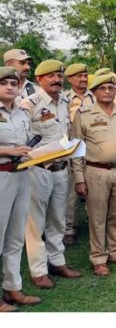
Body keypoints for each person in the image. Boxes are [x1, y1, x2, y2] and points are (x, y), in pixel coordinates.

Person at [71, 73, 116, 276]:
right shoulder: (83, 114)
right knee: (97, 216)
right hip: (96, 172)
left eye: (111, 88)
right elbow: (76, 148)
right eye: (102, 88)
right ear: (93, 92)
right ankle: (98, 257)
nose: (107, 92)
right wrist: (79, 178)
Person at [21, 60, 82, 290]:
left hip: (61, 169)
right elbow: (22, 137)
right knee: (35, 223)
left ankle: (57, 261)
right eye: (51, 76)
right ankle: (38, 271)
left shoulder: (65, 101)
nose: (57, 79)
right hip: (38, 170)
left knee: (58, 218)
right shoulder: (30, 104)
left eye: (59, 75)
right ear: (39, 79)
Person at [0, 66, 41, 311]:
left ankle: (13, 287)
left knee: (15, 236)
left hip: (22, 175)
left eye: (13, 84)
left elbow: (26, 143)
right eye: (3, 83)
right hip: (1, 176)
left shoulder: (22, 113)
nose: (9, 87)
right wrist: (8, 151)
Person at [64, 63, 94, 246]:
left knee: (94, 188)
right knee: (72, 191)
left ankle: (95, 224)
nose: (83, 79)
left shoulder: (95, 96)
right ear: (69, 79)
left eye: (85, 75)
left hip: (93, 149)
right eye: (78, 76)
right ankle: (70, 228)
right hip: (72, 148)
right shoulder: (64, 99)